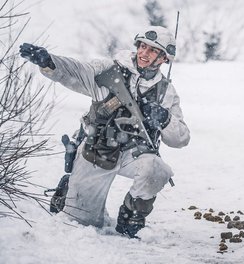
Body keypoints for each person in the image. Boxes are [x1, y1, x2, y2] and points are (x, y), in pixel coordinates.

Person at [19, 26, 190, 238]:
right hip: (97, 152)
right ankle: (68, 190)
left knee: (157, 170)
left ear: (164, 58)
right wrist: (49, 62)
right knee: (82, 224)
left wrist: (163, 118)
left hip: (133, 155)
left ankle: (131, 217)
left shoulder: (166, 92)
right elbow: (76, 70)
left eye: (153, 50)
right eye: (143, 46)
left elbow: (181, 138)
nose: (144, 53)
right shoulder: (109, 70)